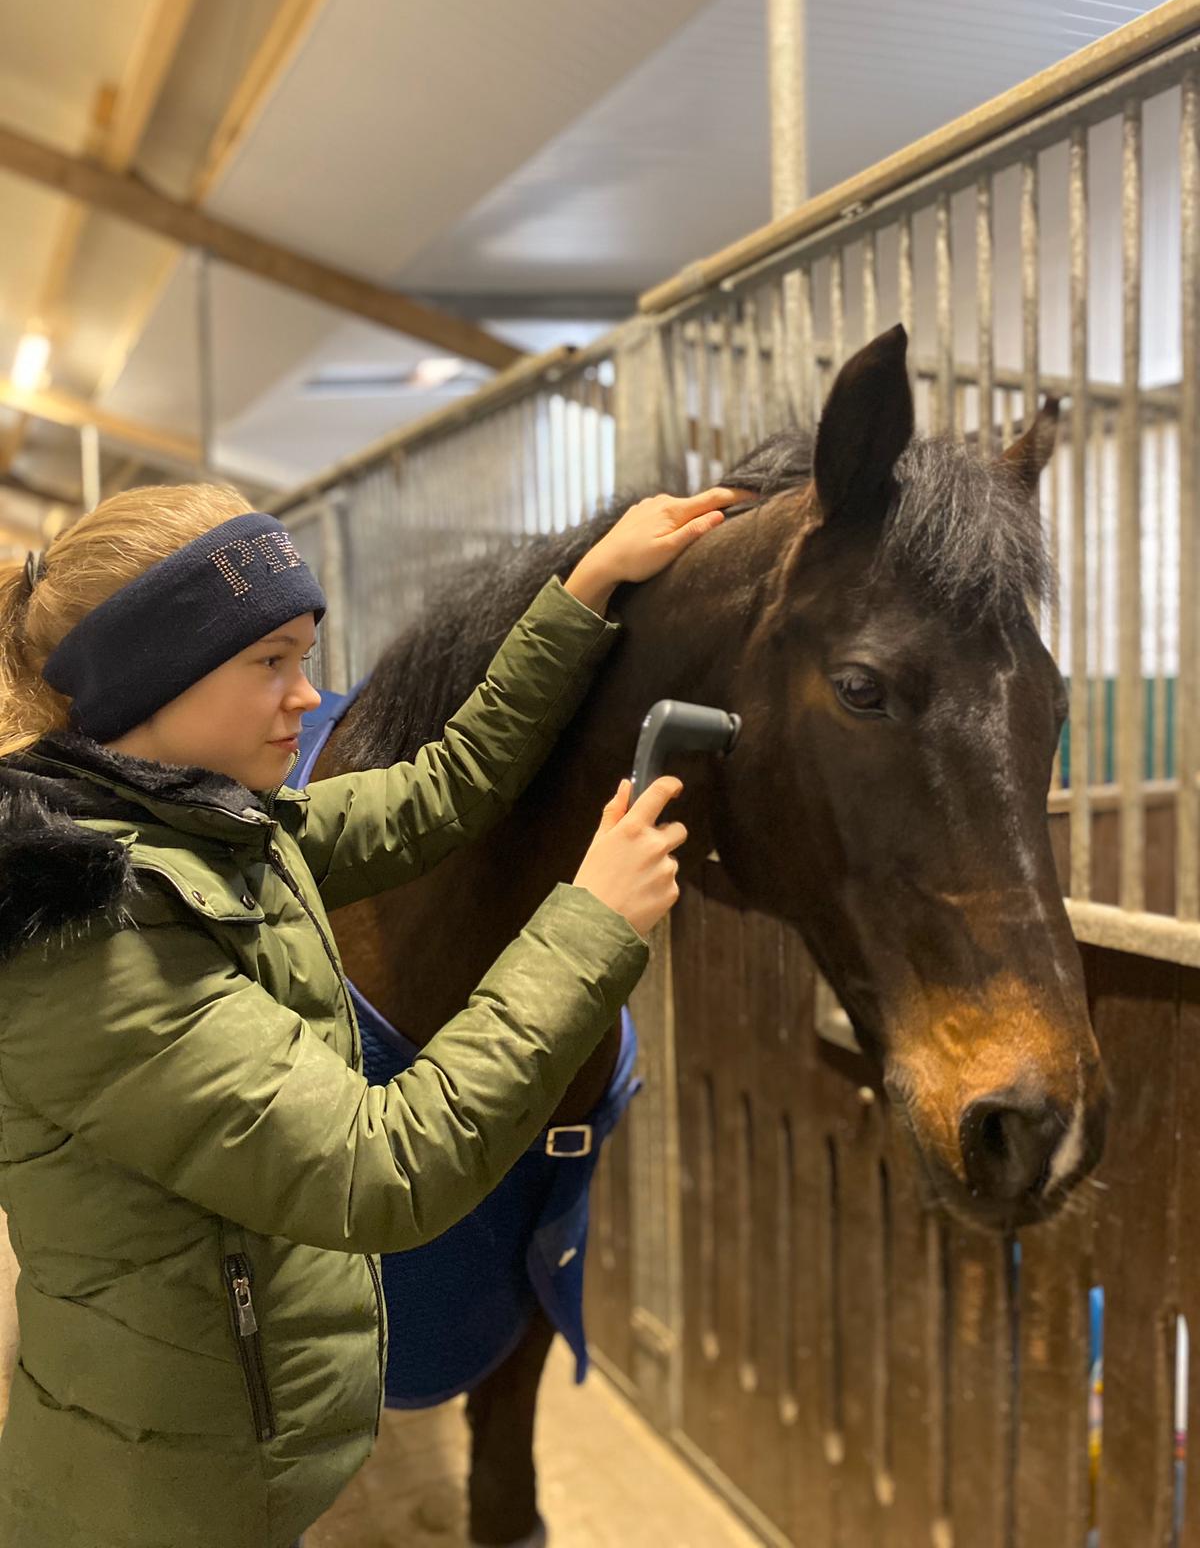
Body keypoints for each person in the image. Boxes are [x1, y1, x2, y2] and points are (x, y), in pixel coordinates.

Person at [0, 478, 745, 1548]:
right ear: (145, 683)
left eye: (305, 656)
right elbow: (381, 1165)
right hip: (154, 1503)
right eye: (271, 664)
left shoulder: (210, 829)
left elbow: (446, 786)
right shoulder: (95, 936)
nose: (308, 699)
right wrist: (589, 920)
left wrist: (583, 589)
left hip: (223, 1455)